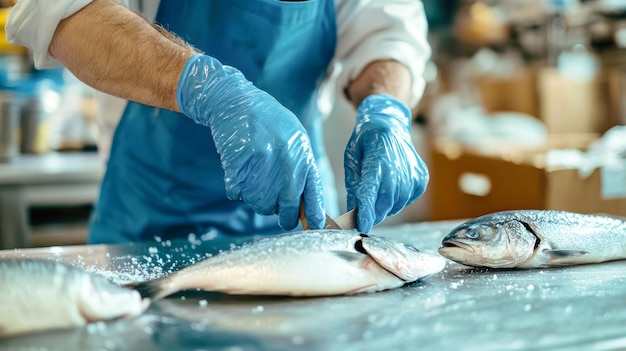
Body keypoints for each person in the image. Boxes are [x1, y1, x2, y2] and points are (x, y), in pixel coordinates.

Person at [6, 0, 431, 244]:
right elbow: (60, 14)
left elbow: (386, 34)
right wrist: (205, 88)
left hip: (302, 223)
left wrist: (387, 110)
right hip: (149, 224)